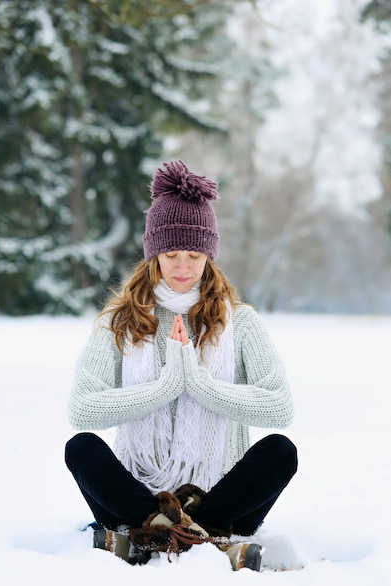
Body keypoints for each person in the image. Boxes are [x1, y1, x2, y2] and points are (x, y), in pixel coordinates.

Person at [65, 159, 297, 572]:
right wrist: (166, 386)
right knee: (81, 448)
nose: (183, 267)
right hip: (134, 495)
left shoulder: (240, 322)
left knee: (281, 452)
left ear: (210, 255)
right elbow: (82, 408)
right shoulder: (119, 321)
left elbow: (279, 407)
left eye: (194, 254)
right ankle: (208, 543)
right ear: (154, 253)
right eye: (172, 254)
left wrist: (199, 383)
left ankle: (145, 540)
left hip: (219, 498)